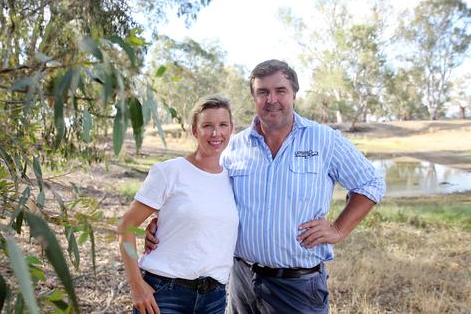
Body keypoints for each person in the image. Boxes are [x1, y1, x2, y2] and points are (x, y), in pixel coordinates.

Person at [145, 60, 385, 314]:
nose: (272, 99)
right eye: (263, 92)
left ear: (294, 93)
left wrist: (338, 228)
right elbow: (205, 188)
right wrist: (164, 218)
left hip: (298, 286)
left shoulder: (323, 140)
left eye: (280, 90)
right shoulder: (234, 147)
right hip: (242, 281)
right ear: (254, 98)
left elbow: (371, 182)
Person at [118, 95, 239, 314]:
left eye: (222, 125)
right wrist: (137, 287)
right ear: (195, 130)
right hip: (166, 294)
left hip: (214, 297)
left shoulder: (232, 179)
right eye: (207, 126)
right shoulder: (169, 172)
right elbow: (127, 226)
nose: (216, 133)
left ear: (231, 129)